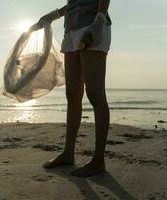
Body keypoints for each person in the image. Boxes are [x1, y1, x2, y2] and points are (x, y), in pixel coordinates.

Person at [37, 0, 111, 177]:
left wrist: (100, 18)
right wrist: (52, 16)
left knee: (95, 94)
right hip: (70, 31)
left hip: (92, 25)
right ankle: (68, 153)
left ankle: (98, 160)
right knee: (72, 94)